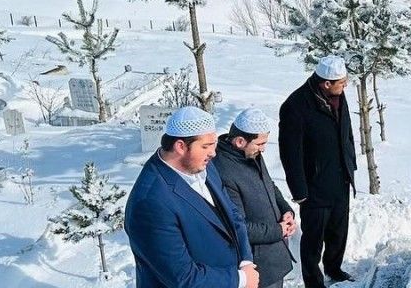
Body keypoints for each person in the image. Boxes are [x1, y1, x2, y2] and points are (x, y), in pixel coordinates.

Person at [125, 106, 258, 288]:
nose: (213, 153)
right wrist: (240, 279)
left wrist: (245, 261)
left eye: (213, 145)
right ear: (180, 146)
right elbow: (182, 278)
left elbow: (232, 215)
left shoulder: (203, 165)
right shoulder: (150, 202)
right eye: (205, 146)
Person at [279, 55, 357, 288]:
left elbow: (347, 132)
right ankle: (313, 281)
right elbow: (290, 153)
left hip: (340, 178)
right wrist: (299, 190)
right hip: (314, 186)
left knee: (338, 232)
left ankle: (334, 267)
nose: (345, 86)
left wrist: (350, 164)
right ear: (326, 83)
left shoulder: (338, 96)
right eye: (341, 82)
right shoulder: (296, 106)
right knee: (314, 238)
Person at [213, 108, 296, 288]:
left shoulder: (250, 154)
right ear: (240, 141)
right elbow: (238, 226)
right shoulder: (223, 171)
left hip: (273, 257)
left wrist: (286, 210)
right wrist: (278, 230)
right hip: (257, 266)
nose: (263, 149)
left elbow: (269, 185)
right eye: (260, 144)